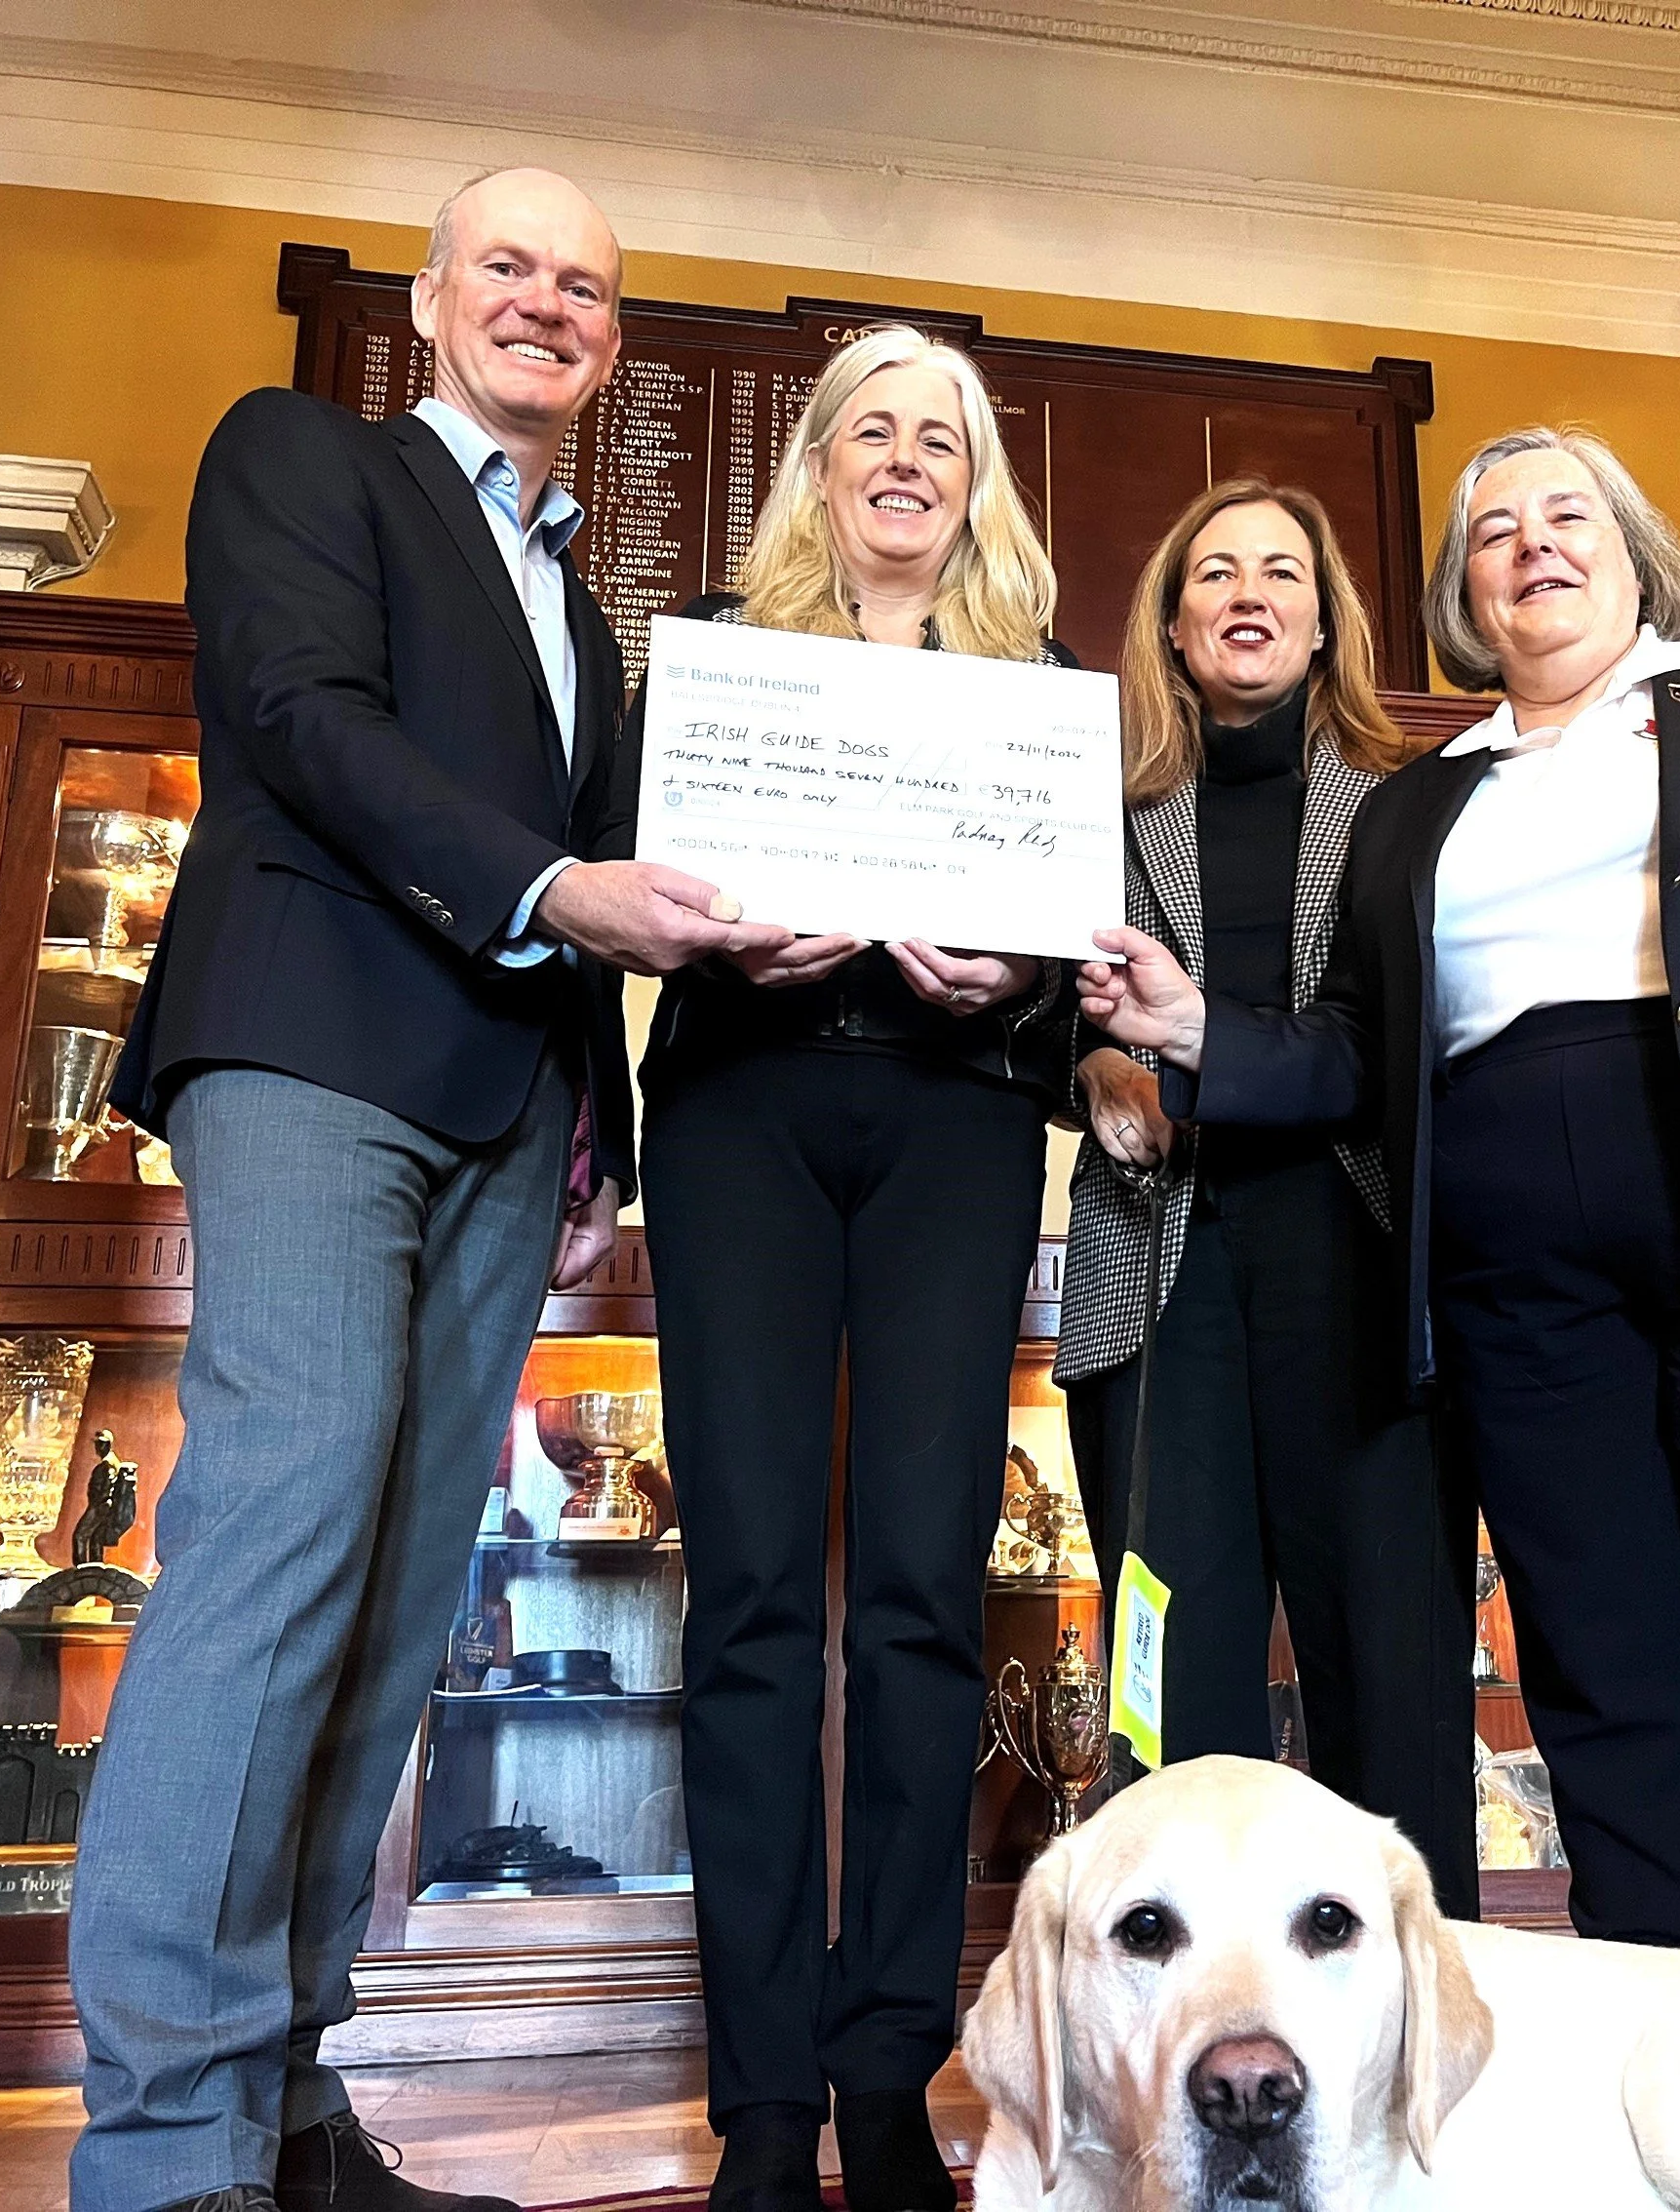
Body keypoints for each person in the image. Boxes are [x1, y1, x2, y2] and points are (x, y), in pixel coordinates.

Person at [1078, 423, 1680, 2077]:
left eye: (1564, 517)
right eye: (1490, 535)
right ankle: (1662, 2078)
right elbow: (1352, 1054)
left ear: (1629, 549)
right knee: (1610, 1684)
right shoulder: (1422, 809)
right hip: (1520, 1294)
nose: (1530, 546)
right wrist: (1196, 1040)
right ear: (1460, 601)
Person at [70, 169, 787, 2212]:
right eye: (509, 268)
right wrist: (559, 891)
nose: (547, 305)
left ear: (616, 340)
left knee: (392, 1607)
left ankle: (292, 2108)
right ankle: (163, 2148)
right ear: (430, 298)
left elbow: (624, 885)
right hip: (310, 1048)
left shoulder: (581, 608)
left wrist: (602, 1136)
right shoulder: (305, 455)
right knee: (276, 1542)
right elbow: (300, 721)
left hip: (503, 1120)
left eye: (587, 285)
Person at [595, 328, 1075, 2212]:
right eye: (868, 428)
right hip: (744, 1121)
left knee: (922, 1596)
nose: (903, 458)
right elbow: (626, 879)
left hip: (960, 1123)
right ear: (816, 465)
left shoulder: (1033, 691)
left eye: (937, 436)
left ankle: (888, 2068)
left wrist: (1020, 974)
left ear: (974, 482)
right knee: (748, 1605)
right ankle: (765, 2104)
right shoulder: (712, 651)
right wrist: (720, 941)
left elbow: (1077, 933)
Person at [1055, 478, 1476, 1913]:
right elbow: (1035, 1003)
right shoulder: (1098, 809)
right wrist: (1095, 1069)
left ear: (1321, 623)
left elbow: (1411, 1047)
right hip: (1159, 1278)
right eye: (1213, 571)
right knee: (1170, 1700)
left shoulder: (1408, 807)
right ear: (1170, 628)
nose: (1248, 592)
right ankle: (1188, 2053)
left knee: (1393, 1682)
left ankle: (1419, 2057)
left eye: (1281, 573)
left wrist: (1188, 1040)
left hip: (1353, 1267)